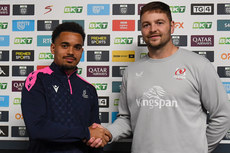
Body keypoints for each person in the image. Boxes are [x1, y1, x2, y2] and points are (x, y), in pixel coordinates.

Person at [88, 1, 230, 153]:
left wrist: (198, 148)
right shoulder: (132, 71)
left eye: (159, 23)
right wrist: (107, 133)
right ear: (141, 30)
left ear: (172, 26)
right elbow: (127, 119)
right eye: (146, 25)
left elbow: (222, 115)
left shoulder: (199, 65)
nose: (153, 29)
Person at [21, 22, 111, 153]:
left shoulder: (89, 89)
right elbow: (37, 128)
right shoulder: (38, 79)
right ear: (53, 48)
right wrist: (85, 132)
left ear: (82, 51)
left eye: (77, 47)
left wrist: (98, 138)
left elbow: (94, 134)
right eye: (65, 46)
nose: (71, 52)